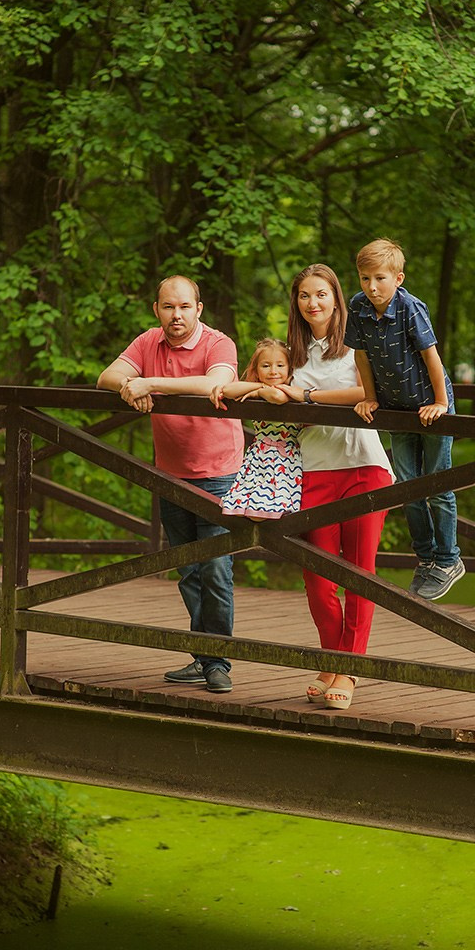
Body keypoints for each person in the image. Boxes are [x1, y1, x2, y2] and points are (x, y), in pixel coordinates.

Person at [96, 274, 244, 694]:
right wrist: (129, 385)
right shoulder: (148, 342)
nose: (176, 315)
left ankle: (217, 662)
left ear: (199, 309)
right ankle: (202, 656)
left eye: (184, 307)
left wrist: (150, 383)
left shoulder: (219, 342)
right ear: (157, 310)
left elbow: (213, 384)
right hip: (171, 473)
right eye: (167, 307)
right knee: (188, 570)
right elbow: (106, 375)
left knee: (216, 567)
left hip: (220, 471)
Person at [275, 263, 394, 711]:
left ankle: (348, 667)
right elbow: (271, 387)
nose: (313, 303)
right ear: (297, 303)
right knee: (318, 577)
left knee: (359, 573)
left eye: (321, 294)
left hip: (364, 467)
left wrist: (304, 398)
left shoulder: (357, 344)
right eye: (305, 296)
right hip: (314, 470)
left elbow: (366, 389)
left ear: (336, 298)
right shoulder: (293, 354)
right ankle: (331, 655)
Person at [345, 238, 464, 601]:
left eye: (380, 278)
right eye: (365, 278)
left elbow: (432, 357)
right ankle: (426, 558)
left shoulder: (410, 308)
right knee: (408, 487)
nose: (372, 286)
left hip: (430, 405)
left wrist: (441, 403)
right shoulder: (358, 307)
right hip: (397, 409)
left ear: (398, 278)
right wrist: (369, 396)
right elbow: (361, 358)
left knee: (436, 485)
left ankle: (449, 559)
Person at [210, 338, 303, 520]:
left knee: (268, 513)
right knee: (250, 511)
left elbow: (276, 395)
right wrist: (260, 387)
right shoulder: (255, 387)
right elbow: (228, 390)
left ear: (290, 368)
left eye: (280, 365)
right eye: (266, 366)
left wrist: (259, 392)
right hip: (258, 456)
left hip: (286, 458)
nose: (273, 371)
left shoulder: (290, 390)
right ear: (257, 369)